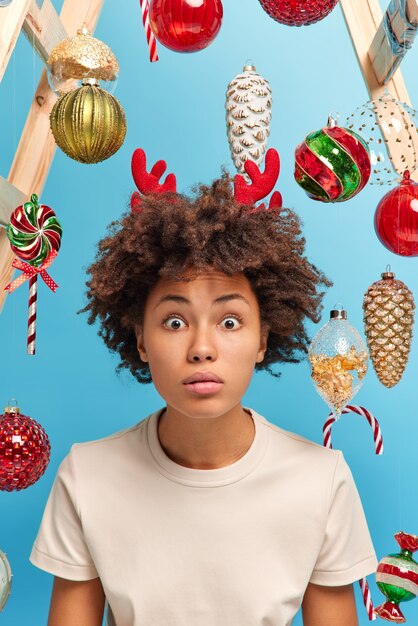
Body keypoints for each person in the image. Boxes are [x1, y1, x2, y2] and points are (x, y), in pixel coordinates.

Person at [30, 149, 377, 626]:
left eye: (230, 321)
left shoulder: (322, 480)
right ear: (140, 341)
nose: (201, 348)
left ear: (263, 338)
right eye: (174, 321)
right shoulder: (87, 477)